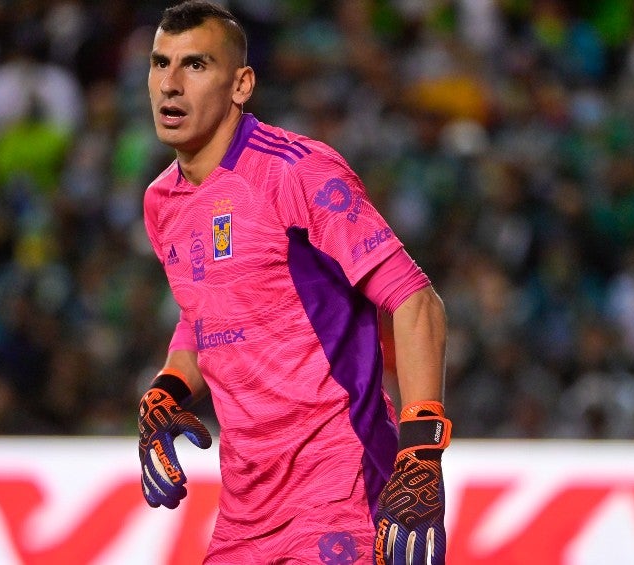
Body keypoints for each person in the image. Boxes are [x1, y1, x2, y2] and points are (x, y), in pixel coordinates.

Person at [136, 2, 451, 563]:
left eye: (196, 65)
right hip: (244, 513)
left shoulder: (297, 172)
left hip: (342, 492)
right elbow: (201, 312)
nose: (170, 84)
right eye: (161, 64)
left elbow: (415, 300)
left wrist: (421, 451)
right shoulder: (162, 203)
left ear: (241, 84)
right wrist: (168, 390)